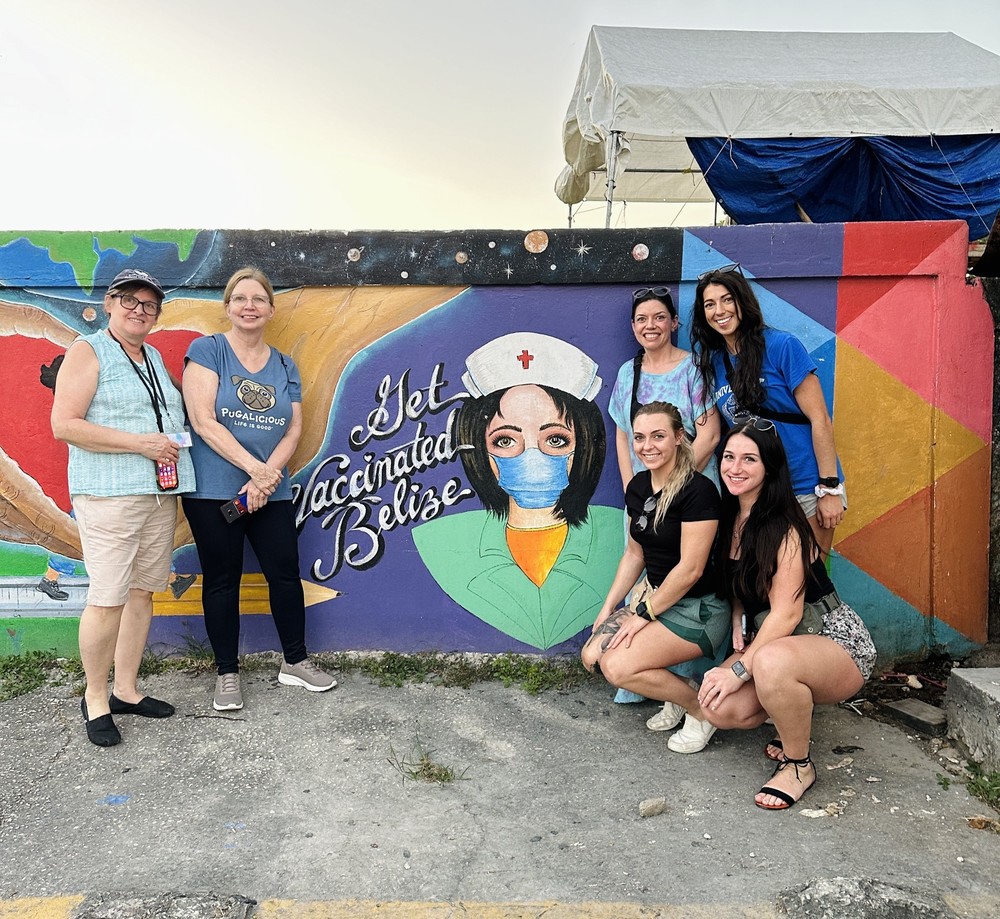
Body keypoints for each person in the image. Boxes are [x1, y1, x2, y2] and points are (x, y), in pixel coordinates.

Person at [697, 419, 876, 809]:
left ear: (769, 467)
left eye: (749, 459)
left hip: (833, 640)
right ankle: (790, 715)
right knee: (719, 707)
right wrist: (737, 614)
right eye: (729, 457)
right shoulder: (729, 516)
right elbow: (741, 578)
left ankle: (798, 766)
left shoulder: (785, 525)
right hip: (782, 644)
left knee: (770, 663)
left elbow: (786, 615)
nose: (735, 468)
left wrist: (738, 669)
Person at [51, 267, 196, 747]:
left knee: (141, 593)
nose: (140, 310)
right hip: (108, 495)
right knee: (108, 597)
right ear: (110, 303)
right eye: (130, 300)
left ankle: (126, 690)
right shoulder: (88, 350)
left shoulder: (152, 356)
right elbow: (65, 424)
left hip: (158, 494)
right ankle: (95, 697)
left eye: (149, 304)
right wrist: (140, 444)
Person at [182, 266, 336, 712]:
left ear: (271, 309)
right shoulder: (208, 351)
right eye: (240, 298)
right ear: (227, 306)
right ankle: (227, 673)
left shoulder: (284, 364)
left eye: (258, 299)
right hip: (214, 492)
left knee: (285, 573)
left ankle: (295, 662)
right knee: (222, 579)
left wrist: (266, 479)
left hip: (272, 492)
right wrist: (256, 471)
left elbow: (293, 429)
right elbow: (203, 420)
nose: (249, 306)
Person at [413, 332, 622, 650]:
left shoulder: (621, 530)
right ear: (480, 451)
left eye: (555, 439)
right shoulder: (437, 540)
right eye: (505, 440)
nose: (532, 457)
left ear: (583, 447)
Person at [581, 402, 730, 754]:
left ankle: (700, 710)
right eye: (639, 437)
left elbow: (691, 569)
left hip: (699, 609)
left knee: (617, 667)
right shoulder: (638, 487)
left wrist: (642, 614)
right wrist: (608, 607)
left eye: (658, 436)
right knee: (592, 657)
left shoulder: (699, 491)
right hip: (657, 598)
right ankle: (678, 693)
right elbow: (635, 554)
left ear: (678, 437)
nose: (647, 446)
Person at [609, 285, 722, 712]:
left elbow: (709, 433)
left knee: (684, 578)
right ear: (633, 327)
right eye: (642, 319)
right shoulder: (629, 373)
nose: (650, 325)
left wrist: (673, 489)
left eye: (659, 317)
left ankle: (686, 690)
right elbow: (623, 435)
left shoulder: (693, 369)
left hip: (689, 492)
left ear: (674, 322)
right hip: (646, 494)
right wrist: (635, 493)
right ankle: (646, 680)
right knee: (643, 570)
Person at [690, 264, 845, 557]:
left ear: (743, 301)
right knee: (761, 575)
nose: (719, 310)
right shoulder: (716, 363)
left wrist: (829, 488)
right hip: (757, 492)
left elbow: (820, 419)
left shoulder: (782, 346)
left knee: (807, 575)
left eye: (727, 299)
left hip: (804, 484)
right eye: (709, 304)